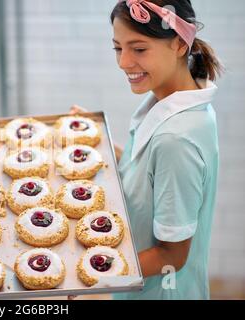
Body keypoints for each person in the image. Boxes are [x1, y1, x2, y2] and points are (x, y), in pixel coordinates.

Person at [70, 0, 223, 299]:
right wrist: (97, 141)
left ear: (179, 44)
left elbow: (171, 256)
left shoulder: (177, 140)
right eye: (118, 48)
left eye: (139, 49)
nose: (124, 62)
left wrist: (87, 270)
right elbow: (149, 175)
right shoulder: (175, 101)